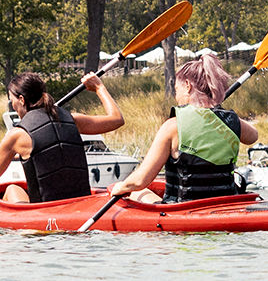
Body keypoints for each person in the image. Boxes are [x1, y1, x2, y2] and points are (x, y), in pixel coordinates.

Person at [107, 58, 259, 203]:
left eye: (176, 90)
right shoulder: (232, 121)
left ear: (187, 85)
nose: (176, 97)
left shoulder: (172, 126)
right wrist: (218, 112)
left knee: (136, 191)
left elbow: (140, 181)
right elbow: (253, 136)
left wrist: (120, 186)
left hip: (183, 208)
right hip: (223, 204)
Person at [0, 71, 126, 205]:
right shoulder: (73, 119)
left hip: (45, 212)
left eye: (11, 100)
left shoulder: (16, 135)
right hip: (81, 204)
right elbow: (117, 119)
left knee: (12, 189)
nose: (12, 105)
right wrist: (99, 87)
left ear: (21, 100)